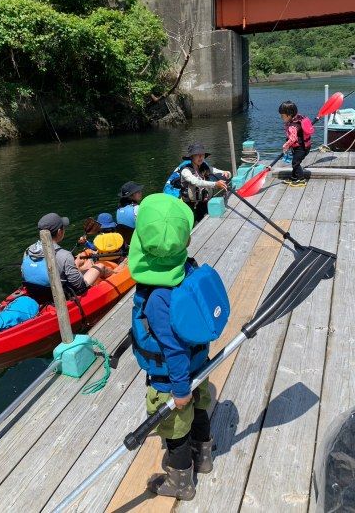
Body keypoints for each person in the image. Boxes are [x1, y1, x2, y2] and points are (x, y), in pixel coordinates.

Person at [128, 194, 230, 500]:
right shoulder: (188, 268)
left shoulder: (157, 298)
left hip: (172, 380)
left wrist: (180, 388)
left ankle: (181, 483)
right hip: (199, 365)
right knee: (201, 410)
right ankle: (205, 457)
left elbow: (171, 348)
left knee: (175, 433)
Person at [21, 213, 108, 300]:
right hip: (59, 297)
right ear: (59, 232)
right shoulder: (65, 255)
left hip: (35, 292)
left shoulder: (28, 250)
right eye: (63, 228)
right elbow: (79, 286)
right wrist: (76, 264)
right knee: (100, 266)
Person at [169, 142, 230, 224]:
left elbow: (219, 172)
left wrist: (227, 173)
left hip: (203, 202)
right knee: (195, 225)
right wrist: (215, 184)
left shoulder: (204, 168)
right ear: (191, 157)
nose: (200, 157)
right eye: (197, 155)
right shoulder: (185, 171)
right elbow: (197, 182)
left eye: (202, 154)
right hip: (190, 205)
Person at [280, 100, 314, 188]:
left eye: (282, 115)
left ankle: (301, 179)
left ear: (289, 115)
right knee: (295, 162)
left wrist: (285, 146)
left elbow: (293, 138)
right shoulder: (299, 118)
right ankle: (294, 177)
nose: (281, 117)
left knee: (295, 163)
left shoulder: (292, 126)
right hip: (304, 146)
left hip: (301, 148)